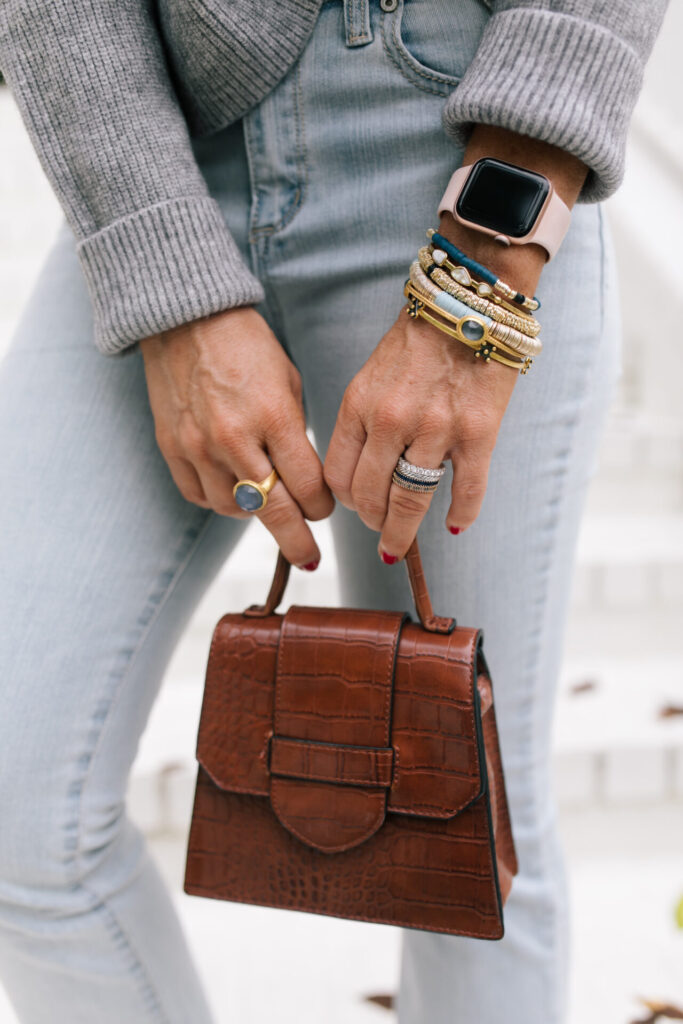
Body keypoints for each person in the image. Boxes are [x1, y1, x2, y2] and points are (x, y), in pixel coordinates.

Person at [0, 0, 669, 1021]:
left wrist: (479, 276)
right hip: (157, 142)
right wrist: (163, 274)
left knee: (475, 845)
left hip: (451, 129)